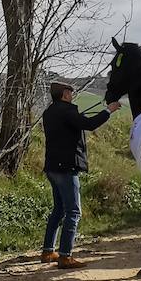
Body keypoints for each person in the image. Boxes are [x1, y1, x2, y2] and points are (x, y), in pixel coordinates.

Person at [40, 82, 121, 269]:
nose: (72, 94)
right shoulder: (67, 112)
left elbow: (75, 123)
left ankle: (47, 251)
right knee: (73, 212)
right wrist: (109, 110)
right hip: (66, 168)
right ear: (64, 94)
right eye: (70, 92)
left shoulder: (50, 112)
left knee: (59, 210)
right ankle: (65, 256)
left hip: (52, 167)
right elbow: (90, 125)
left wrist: (80, 115)